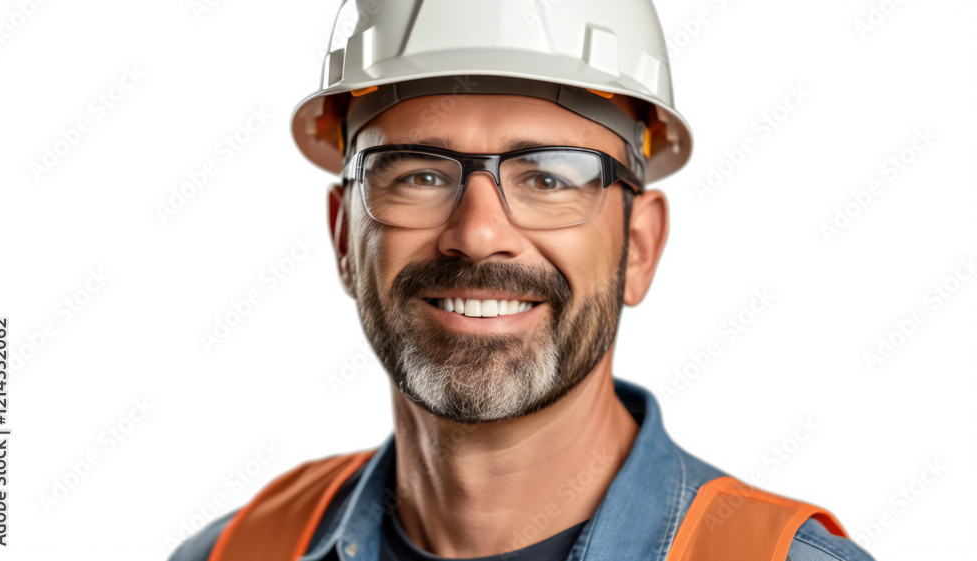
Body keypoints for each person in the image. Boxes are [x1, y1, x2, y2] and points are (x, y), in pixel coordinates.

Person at [171, 1, 876, 559]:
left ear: (637, 245)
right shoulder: (236, 553)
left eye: (549, 176)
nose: (478, 233)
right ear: (344, 238)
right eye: (419, 173)